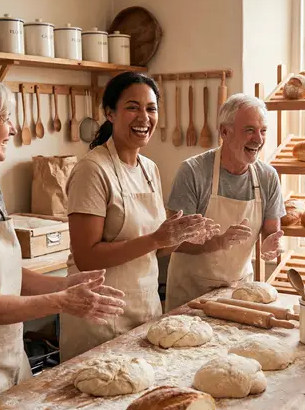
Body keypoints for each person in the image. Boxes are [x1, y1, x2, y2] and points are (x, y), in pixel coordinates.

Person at [0, 70, 125, 409]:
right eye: (4, 119)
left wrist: (64, 286)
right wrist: (62, 302)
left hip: (10, 361)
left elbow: (8, 278)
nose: (11, 129)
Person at [61, 72, 217, 361]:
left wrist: (180, 235)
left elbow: (154, 248)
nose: (144, 117)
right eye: (133, 107)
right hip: (100, 318)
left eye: (151, 108)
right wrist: (158, 238)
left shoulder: (149, 168)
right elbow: (86, 257)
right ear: (110, 113)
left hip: (144, 312)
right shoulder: (92, 170)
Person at [164, 93, 286, 311]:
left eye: (263, 130)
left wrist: (271, 244)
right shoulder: (193, 172)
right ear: (224, 132)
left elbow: (270, 231)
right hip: (191, 292)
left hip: (239, 291)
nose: (258, 139)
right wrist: (218, 242)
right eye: (249, 130)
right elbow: (173, 242)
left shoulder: (268, 177)